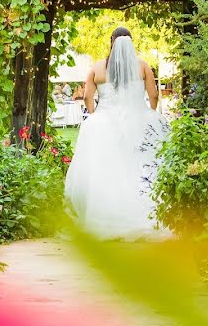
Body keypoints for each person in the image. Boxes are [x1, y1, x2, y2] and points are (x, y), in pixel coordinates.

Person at [64, 27, 171, 241]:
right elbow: (154, 94)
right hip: (139, 119)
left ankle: (104, 215)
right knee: (141, 166)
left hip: (105, 121)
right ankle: (148, 212)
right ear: (131, 42)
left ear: (111, 41)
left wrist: (95, 115)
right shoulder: (143, 67)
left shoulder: (97, 68)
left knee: (105, 171)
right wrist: (148, 113)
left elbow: (87, 97)